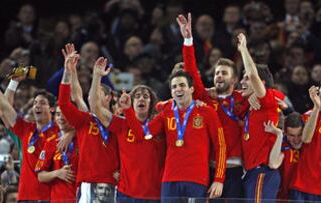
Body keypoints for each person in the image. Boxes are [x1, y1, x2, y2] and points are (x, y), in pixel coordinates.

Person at [122, 70, 226, 202]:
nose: (178, 89)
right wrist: (127, 110)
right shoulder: (167, 113)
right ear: (171, 92)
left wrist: (219, 179)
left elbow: (220, 146)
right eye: (174, 87)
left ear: (191, 89)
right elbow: (141, 134)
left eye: (182, 85)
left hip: (197, 179)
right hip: (169, 180)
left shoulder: (207, 112)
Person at [176, 13, 249, 201]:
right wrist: (188, 40)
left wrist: (244, 51)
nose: (218, 76)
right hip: (209, 167)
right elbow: (191, 70)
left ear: (234, 79)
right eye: (217, 73)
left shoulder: (244, 98)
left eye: (224, 73)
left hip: (235, 170)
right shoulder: (206, 99)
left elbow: (264, 91)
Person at [89, 59, 165, 202]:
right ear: (131, 101)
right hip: (127, 194)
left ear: (152, 102)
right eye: (137, 96)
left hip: (155, 194)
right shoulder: (121, 124)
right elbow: (95, 107)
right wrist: (97, 77)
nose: (141, 99)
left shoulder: (161, 125)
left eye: (145, 96)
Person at [0, 60, 54, 202]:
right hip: (25, 197)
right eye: (35, 103)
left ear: (52, 109)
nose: (37, 106)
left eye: (42, 103)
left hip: (50, 197)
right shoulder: (26, 129)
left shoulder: (60, 131)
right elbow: (4, 108)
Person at [58, 55, 119, 202]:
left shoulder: (119, 122)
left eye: (98, 94)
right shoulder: (85, 120)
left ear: (108, 98)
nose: (94, 97)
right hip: (88, 182)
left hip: (115, 183)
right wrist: (67, 72)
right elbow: (64, 103)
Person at [237, 33, 281, 202]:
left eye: (245, 78)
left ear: (261, 83)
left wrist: (243, 50)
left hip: (262, 172)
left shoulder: (268, 101)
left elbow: (254, 75)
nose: (242, 82)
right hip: (252, 173)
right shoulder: (251, 106)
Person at [35, 106, 78, 202]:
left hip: (82, 197)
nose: (61, 117)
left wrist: (72, 133)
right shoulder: (51, 142)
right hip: (59, 198)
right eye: (58, 114)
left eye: (65, 114)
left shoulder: (82, 137)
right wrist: (58, 173)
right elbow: (40, 176)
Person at [277, 112, 303, 200]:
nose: (296, 140)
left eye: (299, 135)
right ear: (285, 133)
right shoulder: (279, 147)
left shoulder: (311, 147)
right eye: (292, 135)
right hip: (282, 197)